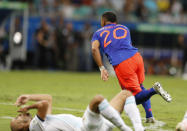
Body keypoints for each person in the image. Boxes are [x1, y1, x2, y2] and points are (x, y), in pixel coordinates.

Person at [91, 11, 172, 122]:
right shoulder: (124, 28)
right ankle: (149, 116)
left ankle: (154, 90)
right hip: (136, 58)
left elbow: (94, 49)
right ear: (116, 21)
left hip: (122, 63)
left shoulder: (98, 32)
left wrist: (101, 68)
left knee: (130, 98)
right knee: (140, 86)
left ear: (103, 21)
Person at [10, 90, 145, 131]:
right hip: (86, 127)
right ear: (21, 127)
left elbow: (48, 99)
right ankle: (127, 129)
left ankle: (138, 129)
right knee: (97, 100)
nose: (18, 116)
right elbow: (44, 104)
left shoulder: (43, 123)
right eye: (16, 119)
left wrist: (29, 97)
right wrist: (30, 106)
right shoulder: (34, 126)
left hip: (95, 125)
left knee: (125, 95)